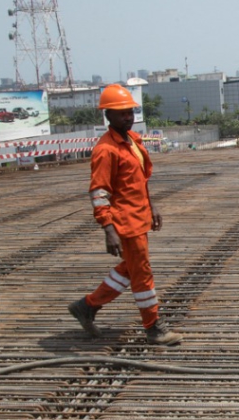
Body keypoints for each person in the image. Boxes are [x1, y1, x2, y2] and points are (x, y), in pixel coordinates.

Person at [68, 84, 180, 345]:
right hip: (125, 222)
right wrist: (109, 229)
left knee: (130, 269)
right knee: (141, 273)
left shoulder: (131, 141)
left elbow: (139, 180)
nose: (127, 117)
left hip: (139, 217)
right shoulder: (106, 150)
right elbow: (98, 192)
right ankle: (153, 327)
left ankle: (87, 306)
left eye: (130, 112)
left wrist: (152, 207)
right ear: (107, 115)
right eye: (121, 114)